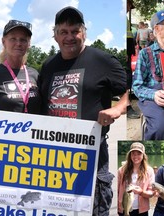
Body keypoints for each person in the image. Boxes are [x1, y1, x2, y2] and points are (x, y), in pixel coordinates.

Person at [40, 6, 128, 215]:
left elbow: (130, 91)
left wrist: (118, 108)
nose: (69, 37)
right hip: (54, 156)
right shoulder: (48, 66)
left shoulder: (103, 60)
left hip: (92, 154)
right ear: (55, 36)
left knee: (94, 210)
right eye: (64, 31)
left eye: (75, 31)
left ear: (84, 33)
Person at [132, 10, 164, 140]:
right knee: (161, 127)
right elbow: (137, 86)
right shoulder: (145, 53)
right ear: (157, 29)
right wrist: (153, 94)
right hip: (155, 99)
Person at [118, 142, 155, 215]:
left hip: (142, 211)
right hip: (123, 209)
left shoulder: (149, 171)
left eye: (139, 154)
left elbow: (151, 193)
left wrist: (141, 192)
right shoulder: (121, 170)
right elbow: (117, 191)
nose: (135, 156)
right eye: (133, 153)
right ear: (130, 155)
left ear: (143, 155)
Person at [126, 0, 140, 119]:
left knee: (128, 77)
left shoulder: (126, 19)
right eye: (128, 4)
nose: (129, 7)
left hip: (127, 52)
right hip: (124, 52)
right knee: (125, 78)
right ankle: (126, 106)